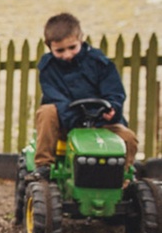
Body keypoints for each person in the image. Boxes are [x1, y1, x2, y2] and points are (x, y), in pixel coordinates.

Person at [27, 12, 138, 181]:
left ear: (81, 39)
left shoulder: (99, 63)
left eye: (72, 47)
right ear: (49, 46)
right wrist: (79, 117)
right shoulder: (48, 68)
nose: (67, 54)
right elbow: (56, 98)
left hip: (102, 124)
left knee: (128, 138)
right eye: (60, 50)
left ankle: (122, 177)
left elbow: (115, 92)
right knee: (46, 111)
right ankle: (44, 165)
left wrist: (112, 109)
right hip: (67, 124)